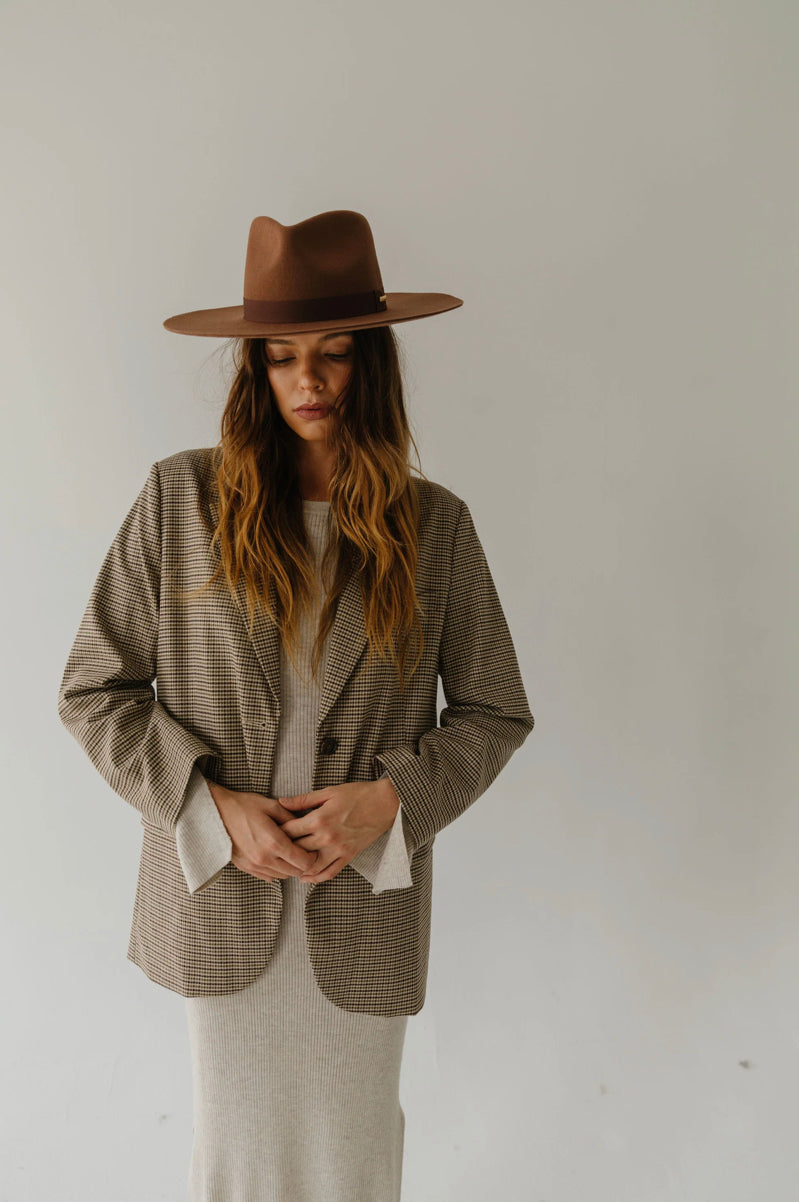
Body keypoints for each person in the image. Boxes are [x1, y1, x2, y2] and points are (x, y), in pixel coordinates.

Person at [57, 209, 535, 1202]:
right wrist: (207, 805)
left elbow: (494, 710)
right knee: (235, 1163)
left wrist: (391, 799)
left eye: (334, 353)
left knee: (353, 1163)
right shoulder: (180, 501)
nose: (308, 380)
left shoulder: (434, 526)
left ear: (372, 364)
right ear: (255, 370)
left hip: (362, 898)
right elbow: (95, 689)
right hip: (221, 895)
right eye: (281, 357)